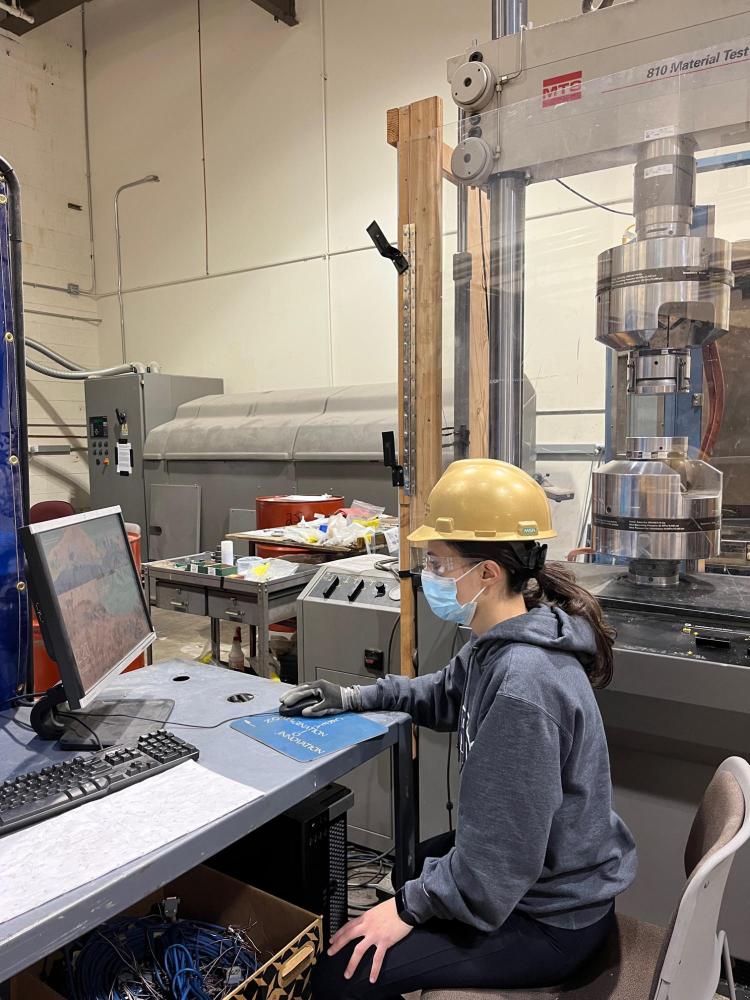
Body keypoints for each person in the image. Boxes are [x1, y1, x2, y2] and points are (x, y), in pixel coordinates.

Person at [280, 459, 637, 1000]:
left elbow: (498, 867)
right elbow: (444, 693)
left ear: (488, 573)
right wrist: (353, 696)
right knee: (415, 866)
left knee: (345, 971)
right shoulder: (501, 641)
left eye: (438, 562)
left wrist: (403, 910)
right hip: (540, 879)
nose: (429, 575)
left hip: (553, 918)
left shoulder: (524, 685)